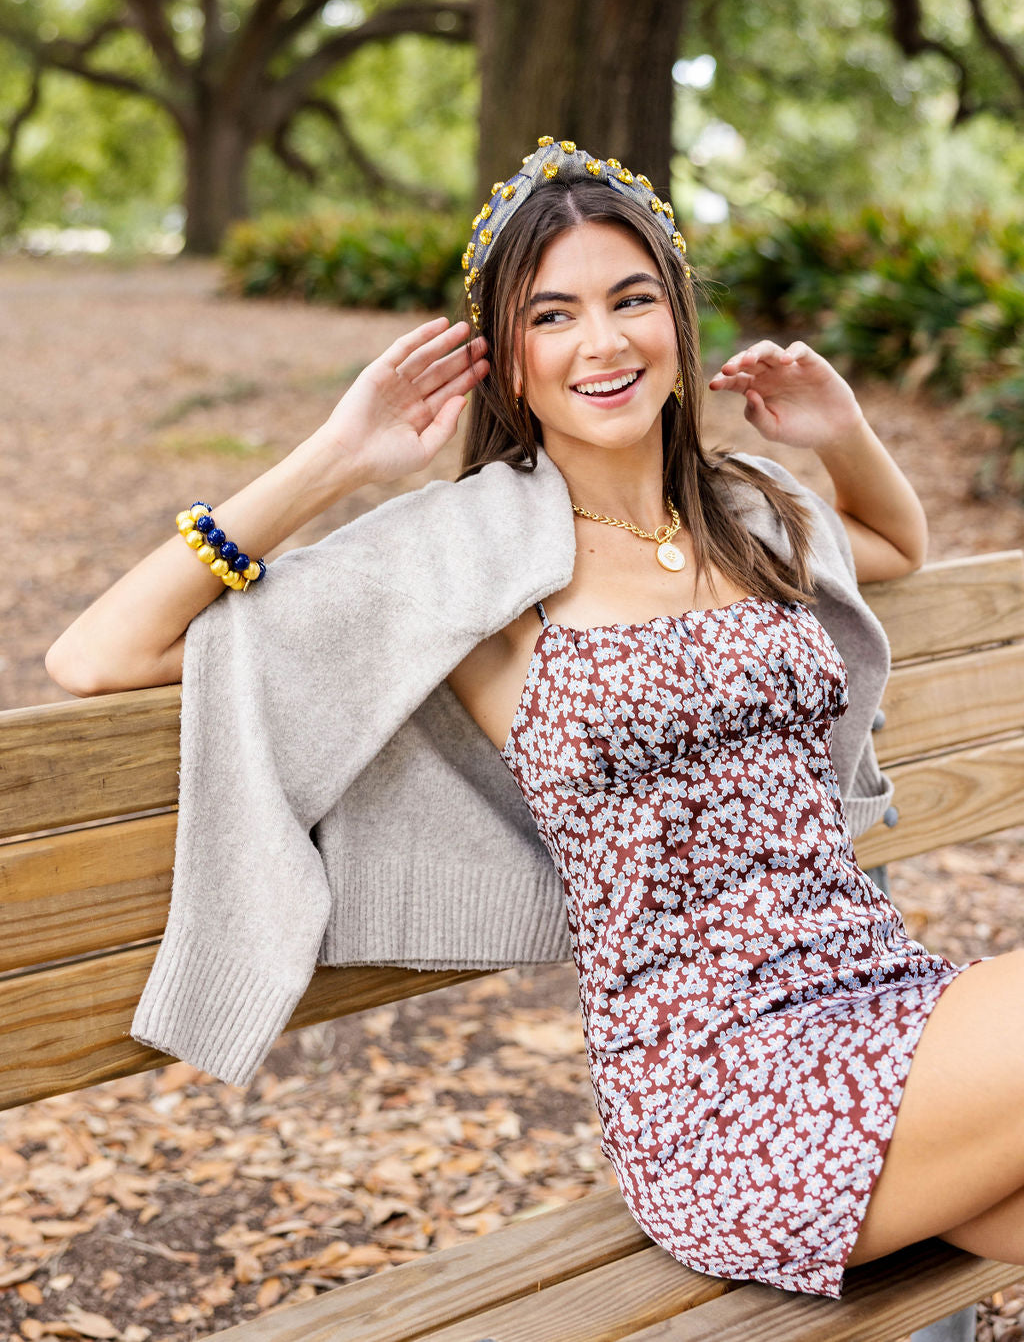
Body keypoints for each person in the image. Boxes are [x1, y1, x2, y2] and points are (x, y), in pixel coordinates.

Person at [46, 136, 1024, 1301]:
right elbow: (99, 652)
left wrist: (841, 427)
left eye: (630, 299)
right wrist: (336, 457)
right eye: (552, 316)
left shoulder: (747, 515)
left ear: (678, 319)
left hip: (885, 1001)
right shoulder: (468, 553)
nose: (601, 342)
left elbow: (896, 543)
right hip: (722, 1092)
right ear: (506, 360)